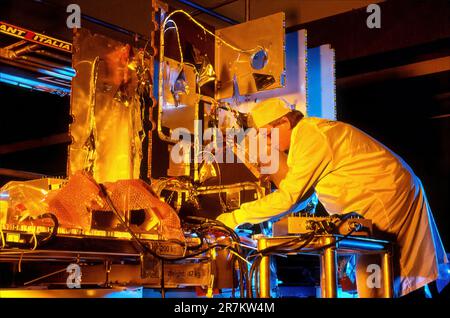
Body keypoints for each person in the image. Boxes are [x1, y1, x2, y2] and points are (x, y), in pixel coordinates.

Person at [216, 98, 448, 297]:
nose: (268, 143)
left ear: (284, 122)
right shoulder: (305, 136)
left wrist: (235, 216)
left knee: (393, 280)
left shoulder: (311, 137)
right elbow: (303, 196)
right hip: (385, 197)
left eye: (267, 135)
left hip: (386, 198)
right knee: (398, 277)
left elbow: (290, 198)